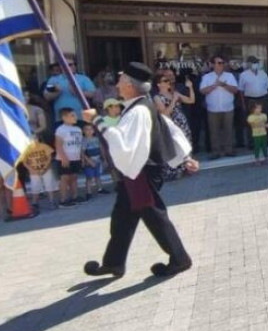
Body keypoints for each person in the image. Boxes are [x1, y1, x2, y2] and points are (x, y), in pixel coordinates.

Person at [82, 62, 197, 278]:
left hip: (141, 172)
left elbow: (122, 142)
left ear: (129, 85)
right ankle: (114, 262)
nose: (117, 84)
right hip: (137, 172)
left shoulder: (139, 110)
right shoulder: (139, 106)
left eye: (120, 80)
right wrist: (185, 157)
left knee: (154, 215)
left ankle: (180, 258)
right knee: (122, 216)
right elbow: (168, 129)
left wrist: (96, 119)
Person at [154, 73, 194, 180]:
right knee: (175, 146)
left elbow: (191, 100)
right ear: (159, 84)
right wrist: (173, 100)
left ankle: (188, 167)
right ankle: (175, 171)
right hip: (171, 125)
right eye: (165, 81)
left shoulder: (174, 93)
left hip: (182, 124)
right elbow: (165, 113)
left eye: (168, 81)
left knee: (185, 144)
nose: (168, 83)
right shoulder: (157, 98)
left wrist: (190, 87)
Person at [199, 55, 238, 159]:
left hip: (228, 108)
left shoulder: (229, 76)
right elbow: (202, 91)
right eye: (219, 63)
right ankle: (216, 152)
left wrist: (223, 85)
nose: (221, 65)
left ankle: (228, 150)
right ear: (212, 64)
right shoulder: (207, 77)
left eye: (222, 63)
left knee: (228, 130)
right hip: (213, 109)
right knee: (214, 131)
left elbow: (235, 90)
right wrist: (214, 86)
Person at [44, 54, 96, 120]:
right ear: (62, 66)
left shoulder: (84, 79)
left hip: (82, 117)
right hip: (62, 118)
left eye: (75, 64)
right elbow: (47, 96)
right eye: (70, 65)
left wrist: (78, 92)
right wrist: (57, 92)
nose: (73, 66)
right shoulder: (53, 80)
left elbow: (93, 94)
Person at [237, 56, 268, 147]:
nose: (255, 64)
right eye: (253, 62)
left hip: (263, 98)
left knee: (264, 119)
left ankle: (265, 140)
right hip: (250, 99)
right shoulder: (243, 75)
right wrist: (243, 103)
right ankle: (252, 142)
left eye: (256, 62)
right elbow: (241, 90)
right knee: (252, 121)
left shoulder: (263, 73)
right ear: (248, 64)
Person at [55, 108, 83, 208]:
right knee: (65, 178)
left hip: (75, 157)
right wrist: (63, 157)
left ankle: (75, 196)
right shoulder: (61, 129)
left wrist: (81, 157)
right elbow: (58, 145)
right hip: (65, 158)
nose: (75, 117)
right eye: (72, 115)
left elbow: (79, 144)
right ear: (64, 117)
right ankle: (63, 200)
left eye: (75, 115)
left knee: (74, 177)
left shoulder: (78, 129)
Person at [81, 123, 105, 197]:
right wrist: (88, 161)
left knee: (98, 176)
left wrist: (104, 159)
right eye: (87, 129)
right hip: (89, 162)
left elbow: (101, 149)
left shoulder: (97, 139)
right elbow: (82, 152)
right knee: (89, 177)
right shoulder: (84, 140)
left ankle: (100, 189)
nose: (89, 131)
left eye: (91, 129)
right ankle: (88, 192)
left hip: (98, 160)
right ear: (83, 131)